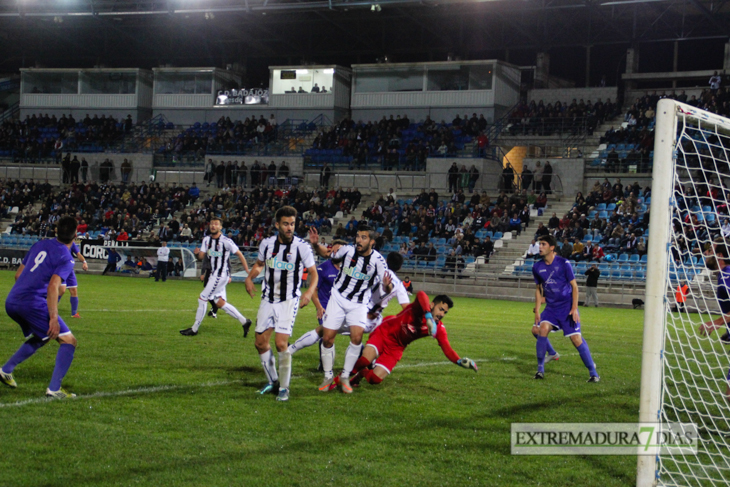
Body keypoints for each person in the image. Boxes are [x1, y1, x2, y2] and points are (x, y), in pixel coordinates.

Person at [244, 206, 318, 402]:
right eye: (285, 224)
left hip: (288, 300)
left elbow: (313, 272)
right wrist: (250, 278)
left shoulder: (302, 246)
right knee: (260, 343)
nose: (289, 228)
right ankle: (273, 380)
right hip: (268, 298)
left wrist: (309, 292)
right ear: (277, 225)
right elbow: (260, 264)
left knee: (280, 343)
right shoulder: (267, 244)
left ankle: (284, 388)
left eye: (292, 224)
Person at [0, 216, 80, 399]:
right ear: (76, 235)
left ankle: (6, 370)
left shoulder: (39, 244)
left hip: (12, 301)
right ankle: (54, 390)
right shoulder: (66, 258)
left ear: (55, 231)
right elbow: (54, 286)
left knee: (43, 336)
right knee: (68, 340)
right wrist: (53, 317)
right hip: (31, 303)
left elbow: (18, 275)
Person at [308, 224, 389, 393]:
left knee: (357, 337)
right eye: (358, 236)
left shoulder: (378, 262)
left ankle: (344, 376)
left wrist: (387, 287)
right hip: (337, 298)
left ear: (372, 241)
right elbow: (327, 254)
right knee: (328, 338)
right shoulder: (347, 250)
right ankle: (328, 376)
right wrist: (316, 245)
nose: (359, 240)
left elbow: (386, 288)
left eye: (364, 237)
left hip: (358, 303)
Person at [343, 292, 477, 388]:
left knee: (374, 379)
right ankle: (342, 378)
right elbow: (421, 294)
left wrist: (459, 361)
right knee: (365, 360)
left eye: (445, 312)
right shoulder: (420, 309)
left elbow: (447, 348)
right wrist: (428, 316)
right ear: (431, 305)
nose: (442, 314)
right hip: (386, 332)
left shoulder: (438, 328)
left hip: (397, 347)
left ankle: (362, 372)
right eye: (440, 309)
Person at [532, 235, 600, 382]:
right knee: (540, 329)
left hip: (567, 307)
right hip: (551, 308)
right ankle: (540, 370)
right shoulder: (537, 267)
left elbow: (574, 286)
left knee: (576, 339)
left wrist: (574, 308)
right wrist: (537, 310)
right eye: (539, 244)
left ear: (552, 247)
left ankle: (593, 373)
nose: (540, 247)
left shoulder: (564, 263)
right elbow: (538, 289)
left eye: (543, 244)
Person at [180, 217, 252, 337]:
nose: (213, 226)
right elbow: (201, 257)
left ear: (220, 227)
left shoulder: (226, 241)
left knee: (202, 298)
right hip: (214, 275)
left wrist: (247, 271)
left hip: (220, 275)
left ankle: (194, 329)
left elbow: (239, 253)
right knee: (218, 302)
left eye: (216, 224)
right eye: (212, 224)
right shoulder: (206, 240)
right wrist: (197, 254)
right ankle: (244, 321)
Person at [287, 240, 347, 359]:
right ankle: (323, 365)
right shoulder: (323, 268)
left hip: (343, 308)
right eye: (333, 250)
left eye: (338, 250)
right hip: (325, 307)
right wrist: (319, 307)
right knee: (326, 334)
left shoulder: (348, 269)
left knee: (356, 334)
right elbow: (314, 289)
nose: (335, 252)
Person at [699, 244, 730, 400]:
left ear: (719, 255)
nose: (706, 253)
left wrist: (716, 323)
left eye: (710, 251)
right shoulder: (723, 275)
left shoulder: (727, 275)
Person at [60, 241, 89, 319]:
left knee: (73, 290)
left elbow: (78, 254)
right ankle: (49, 309)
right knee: (61, 291)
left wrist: (84, 262)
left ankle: (74, 313)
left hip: (69, 270)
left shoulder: (71, 243)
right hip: (60, 269)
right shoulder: (56, 242)